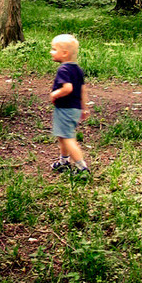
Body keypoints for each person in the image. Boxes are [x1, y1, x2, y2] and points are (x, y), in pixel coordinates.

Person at [49, 34, 90, 177]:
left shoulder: (63, 69)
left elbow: (68, 88)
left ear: (64, 53)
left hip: (65, 109)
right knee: (62, 135)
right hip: (74, 108)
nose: (51, 52)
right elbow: (82, 89)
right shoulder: (77, 69)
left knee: (67, 138)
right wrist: (84, 108)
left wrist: (55, 94)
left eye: (54, 49)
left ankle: (82, 168)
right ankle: (63, 161)